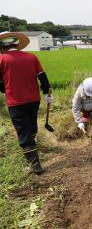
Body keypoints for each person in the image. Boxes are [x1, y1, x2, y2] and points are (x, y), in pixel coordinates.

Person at [0, 32, 53, 175]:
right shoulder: (31, 57)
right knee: (31, 126)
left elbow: (0, 84)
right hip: (34, 100)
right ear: (17, 45)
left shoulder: (1, 59)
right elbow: (43, 77)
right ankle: (33, 151)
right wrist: (47, 93)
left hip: (16, 102)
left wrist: (5, 88)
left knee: (23, 133)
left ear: (3, 47)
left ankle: (35, 166)